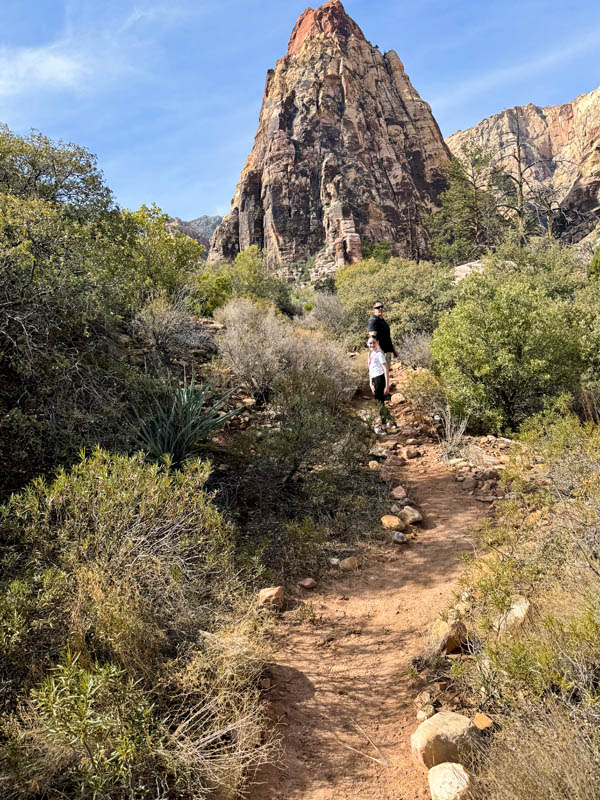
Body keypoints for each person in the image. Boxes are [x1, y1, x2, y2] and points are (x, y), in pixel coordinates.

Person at [368, 334, 395, 434]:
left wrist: (387, 385)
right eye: (370, 343)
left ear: (377, 343)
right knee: (380, 403)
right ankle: (391, 422)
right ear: (367, 344)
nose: (372, 345)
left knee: (380, 404)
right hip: (374, 380)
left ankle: (383, 428)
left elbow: (385, 369)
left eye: (374, 343)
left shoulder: (379, 354)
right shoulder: (370, 354)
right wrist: (370, 383)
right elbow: (370, 370)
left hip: (380, 379)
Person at [367, 301, 397, 368]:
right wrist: (380, 351)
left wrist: (393, 350)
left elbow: (387, 337)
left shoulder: (382, 321)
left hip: (386, 352)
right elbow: (372, 338)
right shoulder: (373, 320)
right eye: (377, 307)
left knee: (385, 373)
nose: (380, 308)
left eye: (381, 307)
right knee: (380, 375)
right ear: (373, 310)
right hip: (379, 353)